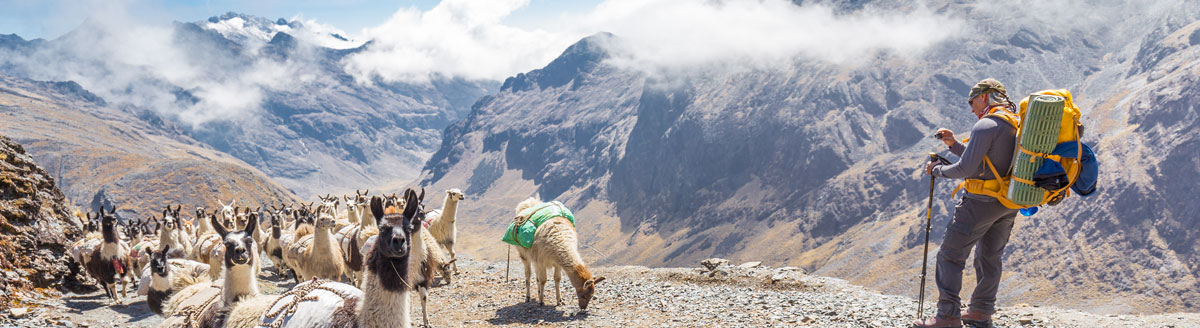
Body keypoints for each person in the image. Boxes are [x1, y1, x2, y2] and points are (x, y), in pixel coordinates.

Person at [915, 78, 1019, 328]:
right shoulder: (1014, 123)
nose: (971, 108)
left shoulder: (986, 125)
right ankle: (981, 312)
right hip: (1008, 201)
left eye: (972, 102)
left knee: (950, 255)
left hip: (980, 202)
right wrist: (953, 145)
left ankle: (948, 317)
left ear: (984, 97)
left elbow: (967, 168)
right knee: (990, 257)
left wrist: (937, 170)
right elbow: (989, 162)